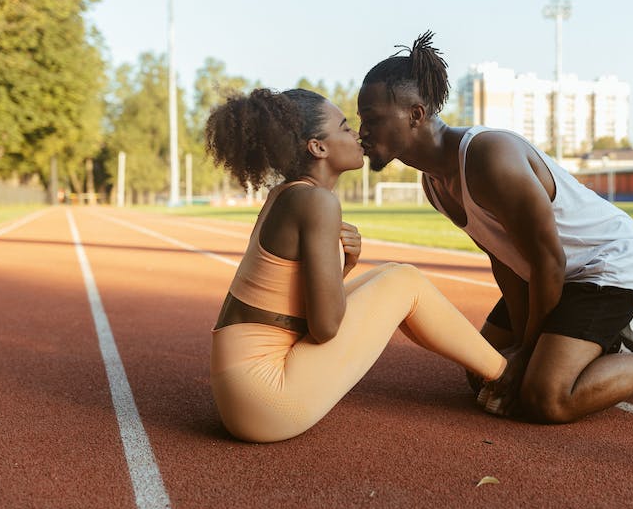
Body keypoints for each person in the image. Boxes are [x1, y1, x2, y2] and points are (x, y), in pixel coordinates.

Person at [357, 32, 633, 422]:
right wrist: (516, 348)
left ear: (415, 115)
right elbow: (506, 259)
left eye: (371, 118)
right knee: (482, 372)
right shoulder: (435, 184)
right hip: (555, 275)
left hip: (604, 264)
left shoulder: (488, 157)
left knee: (545, 398)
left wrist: (528, 354)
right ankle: (611, 338)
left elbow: (549, 262)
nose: (362, 132)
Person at [205, 87, 506, 443]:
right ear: (318, 147)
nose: (358, 134)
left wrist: (345, 267)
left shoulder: (286, 195)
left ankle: (491, 370)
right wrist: (341, 270)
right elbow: (325, 327)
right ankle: (505, 377)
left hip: (239, 391)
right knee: (405, 282)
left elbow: (292, 303)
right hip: (265, 398)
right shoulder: (317, 202)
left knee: (389, 273)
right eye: (345, 127)